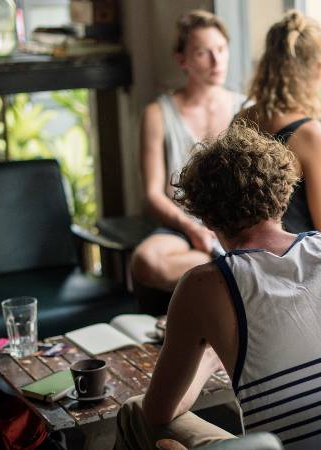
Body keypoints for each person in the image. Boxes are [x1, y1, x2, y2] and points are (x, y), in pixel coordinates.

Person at [115, 124, 321, 450]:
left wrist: (208, 357)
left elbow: (158, 412)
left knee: (135, 410)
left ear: (205, 218)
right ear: (284, 193)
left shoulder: (204, 286)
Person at [131, 10, 247, 293]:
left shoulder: (246, 109)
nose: (217, 61)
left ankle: (227, 264)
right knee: (144, 261)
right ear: (182, 60)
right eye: (202, 53)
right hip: (182, 226)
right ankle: (235, 268)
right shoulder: (158, 114)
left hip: (235, 223)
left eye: (221, 49)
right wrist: (191, 227)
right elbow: (153, 195)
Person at [237, 10, 321, 234]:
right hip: (295, 261)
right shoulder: (311, 135)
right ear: (318, 68)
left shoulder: (242, 120)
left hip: (246, 259)